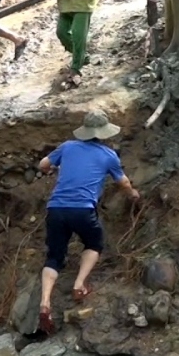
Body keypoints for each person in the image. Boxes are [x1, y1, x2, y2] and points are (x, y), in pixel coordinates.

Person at [36, 109, 140, 335]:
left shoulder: (68, 147)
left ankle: (45, 302)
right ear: (103, 133)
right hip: (82, 210)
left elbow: (43, 164)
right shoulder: (109, 155)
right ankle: (79, 285)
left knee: (54, 256)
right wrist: (133, 195)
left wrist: (52, 168)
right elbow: (123, 183)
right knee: (94, 244)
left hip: (56, 208)